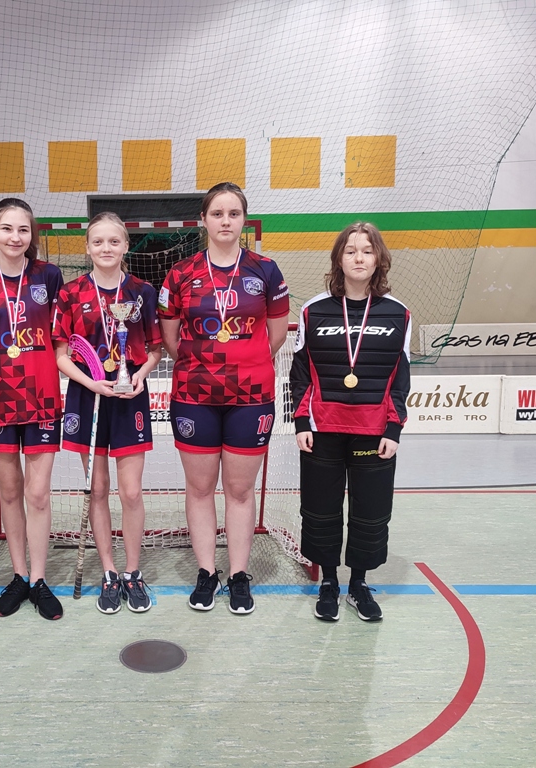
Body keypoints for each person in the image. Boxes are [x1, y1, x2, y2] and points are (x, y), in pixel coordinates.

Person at [158, 182, 290, 614]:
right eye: (217, 213)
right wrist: (205, 367)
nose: (226, 221)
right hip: (194, 394)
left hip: (251, 396)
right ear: (204, 220)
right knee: (200, 489)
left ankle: (237, 574)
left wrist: (243, 363)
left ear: (244, 220)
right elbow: (172, 339)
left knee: (239, 489)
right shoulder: (181, 273)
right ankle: (205, 572)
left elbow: (275, 335)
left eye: (234, 213)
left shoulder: (265, 270)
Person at [290, 221, 411, 622]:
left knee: (370, 512)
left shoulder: (399, 314)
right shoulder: (313, 310)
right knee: (320, 510)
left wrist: (394, 428)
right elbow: (300, 373)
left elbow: (401, 378)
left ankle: (358, 584)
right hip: (322, 430)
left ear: (379, 260)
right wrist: (302, 422)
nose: (359, 258)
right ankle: (328, 581)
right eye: (351, 251)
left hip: (374, 433)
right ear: (338, 259)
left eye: (367, 251)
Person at [0, 199, 65, 620]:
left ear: (31, 235)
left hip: (42, 396)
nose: (15, 237)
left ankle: (38, 579)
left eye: (23, 229)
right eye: (7, 228)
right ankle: (19, 576)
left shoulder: (49, 275)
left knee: (37, 494)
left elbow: (61, 336)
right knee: (10, 491)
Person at [53, 212, 163, 614]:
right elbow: (60, 355)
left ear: (125, 246)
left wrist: (139, 376)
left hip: (129, 394)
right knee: (97, 489)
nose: (105, 248)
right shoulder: (70, 293)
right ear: (87, 247)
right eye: (97, 241)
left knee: (130, 491)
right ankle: (109, 572)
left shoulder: (142, 292)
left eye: (114, 241)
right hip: (88, 396)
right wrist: (91, 383)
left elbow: (155, 350)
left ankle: (132, 572)